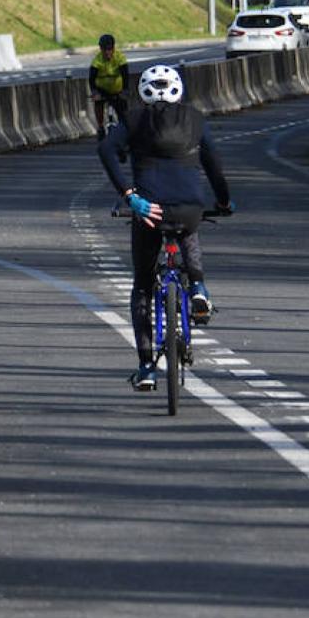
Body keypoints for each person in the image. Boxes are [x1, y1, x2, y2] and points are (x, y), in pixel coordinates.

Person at [98, 63, 233, 393]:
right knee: (189, 227)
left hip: (149, 211)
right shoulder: (196, 119)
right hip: (189, 209)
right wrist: (225, 201)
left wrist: (129, 195)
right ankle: (199, 288)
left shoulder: (134, 119)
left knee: (143, 285)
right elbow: (214, 164)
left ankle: (146, 366)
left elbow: (106, 149)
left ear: (143, 90)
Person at [89, 33, 130, 140]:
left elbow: (125, 75)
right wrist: (94, 92)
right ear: (100, 49)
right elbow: (91, 79)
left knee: (123, 109)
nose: (107, 53)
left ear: (113, 48)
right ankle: (100, 126)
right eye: (104, 50)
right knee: (98, 103)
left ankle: (124, 127)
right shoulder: (97, 60)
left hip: (117, 89)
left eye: (109, 49)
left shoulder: (120, 57)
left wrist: (125, 90)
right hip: (102, 89)